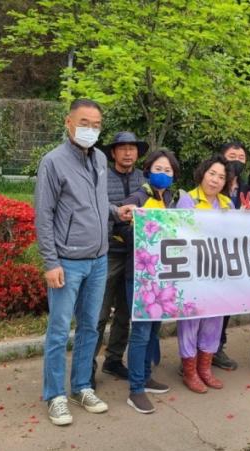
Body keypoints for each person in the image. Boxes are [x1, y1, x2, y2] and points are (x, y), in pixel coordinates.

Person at [35, 98, 133, 426]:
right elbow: (44, 215)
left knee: (91, 326)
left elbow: (97, 201)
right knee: (59, 330)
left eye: (96, 125)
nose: (90, 130)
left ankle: (81, 387)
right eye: (84, 123)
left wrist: (116, 211)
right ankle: (55, 395)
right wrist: (51, 262)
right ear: (69, 123)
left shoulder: (100, 158)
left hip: (98, 258)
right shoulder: (53, 162)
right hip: (67, 261)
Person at [117, 149, 179, 413]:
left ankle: (145, 376)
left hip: (162, 275)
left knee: (154, 328)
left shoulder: (172, 199)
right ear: (148, 171)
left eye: (168, 170)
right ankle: (136, 390)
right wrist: (140, 233)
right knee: (141, 331)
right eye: (158, 169)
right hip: (140, 275)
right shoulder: (138, 197)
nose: (163, 174)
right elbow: (120, 225)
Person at [176, 155, 238, 393]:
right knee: (190, 321)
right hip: (192, 272)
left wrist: (246, 218)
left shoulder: (227, 204)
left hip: (218, 273)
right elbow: (179, 234)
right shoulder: (188, 200)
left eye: (221, 177)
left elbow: (235, 236)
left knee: (214, 320)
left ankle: (205, 370)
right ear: (202, 173)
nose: (215, 180)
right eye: (212, 174)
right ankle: (189, 372)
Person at [92, 131, 147, 386]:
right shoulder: (101, 177)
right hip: (108, 252)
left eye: (132, 148)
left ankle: (113, 359)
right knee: (99, 313)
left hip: (135, 253)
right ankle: (87, 367)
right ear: (113, 153)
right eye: (122, 148)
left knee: (126, 312)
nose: (127, 153)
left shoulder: (143, 180)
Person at [215, 141, 250, 371]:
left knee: (226, 303)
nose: (237, 160)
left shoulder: (247, 187)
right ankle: (195, 353)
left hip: (235, 253)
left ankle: (217, 346)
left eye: (241, 157)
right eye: (232, 155)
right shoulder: (213, 184)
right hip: (211, 254)